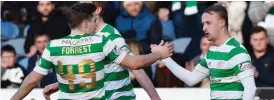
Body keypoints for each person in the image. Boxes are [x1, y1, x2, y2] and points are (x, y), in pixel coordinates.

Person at [11, 3, 172, 100]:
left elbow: (31, 81)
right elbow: (135, 64)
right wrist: (159, 54)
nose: (97, 25)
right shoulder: (101, 42)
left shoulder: (53, 46)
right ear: (86, 23)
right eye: (94, 21)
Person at [151, 5, 256, 100]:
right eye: (203, 24)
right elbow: (191, 79)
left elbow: (250, 89)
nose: (204, 28)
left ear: (222, 23)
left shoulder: (236, 51)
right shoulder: (212, 51)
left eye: (208, 23)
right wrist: (165, 58)